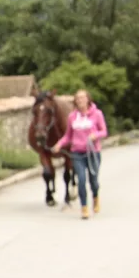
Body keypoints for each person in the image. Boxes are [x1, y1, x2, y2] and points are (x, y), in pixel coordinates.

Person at [52, 89, 107, 220]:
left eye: (82, 98)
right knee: (81, 180)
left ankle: (95, 196)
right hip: (77, 153)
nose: (80, 101)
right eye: (77, 99)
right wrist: (59, 144)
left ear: (88, 99)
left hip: (93, 152)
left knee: (93, 180)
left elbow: (104, 131)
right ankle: (84, 208)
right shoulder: (72, 117)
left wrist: (95, 135)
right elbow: (68, 136)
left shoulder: (97, 114)